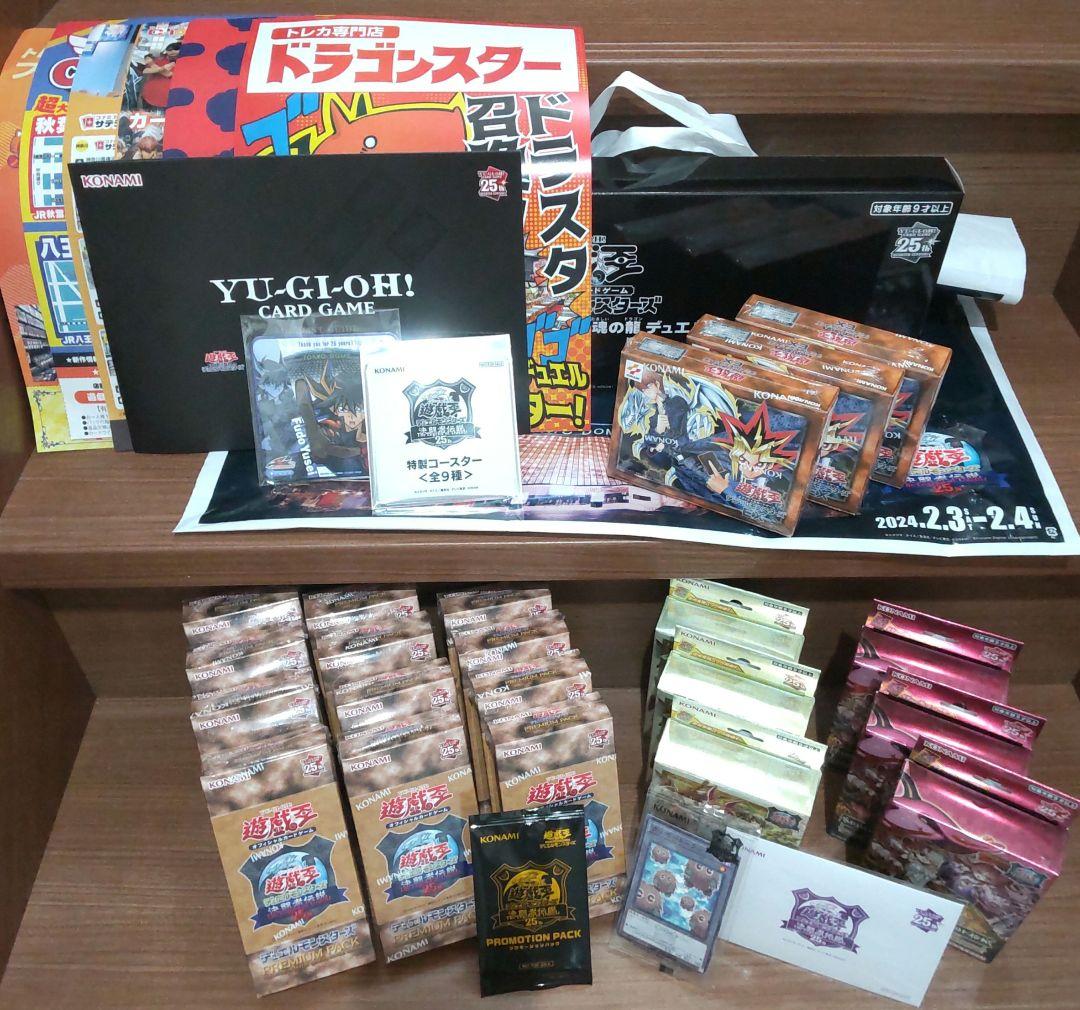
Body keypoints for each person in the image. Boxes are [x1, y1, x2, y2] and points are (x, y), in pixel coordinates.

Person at [138, 42, 180, 112]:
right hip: (148, 98)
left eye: (175, 54)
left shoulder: (182, 64)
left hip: (168, 102)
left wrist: (153, 65)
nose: (172, 56)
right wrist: (159, 67)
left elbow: (168, 74)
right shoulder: (160, 59)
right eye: (170, 54)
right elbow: (145, 71)